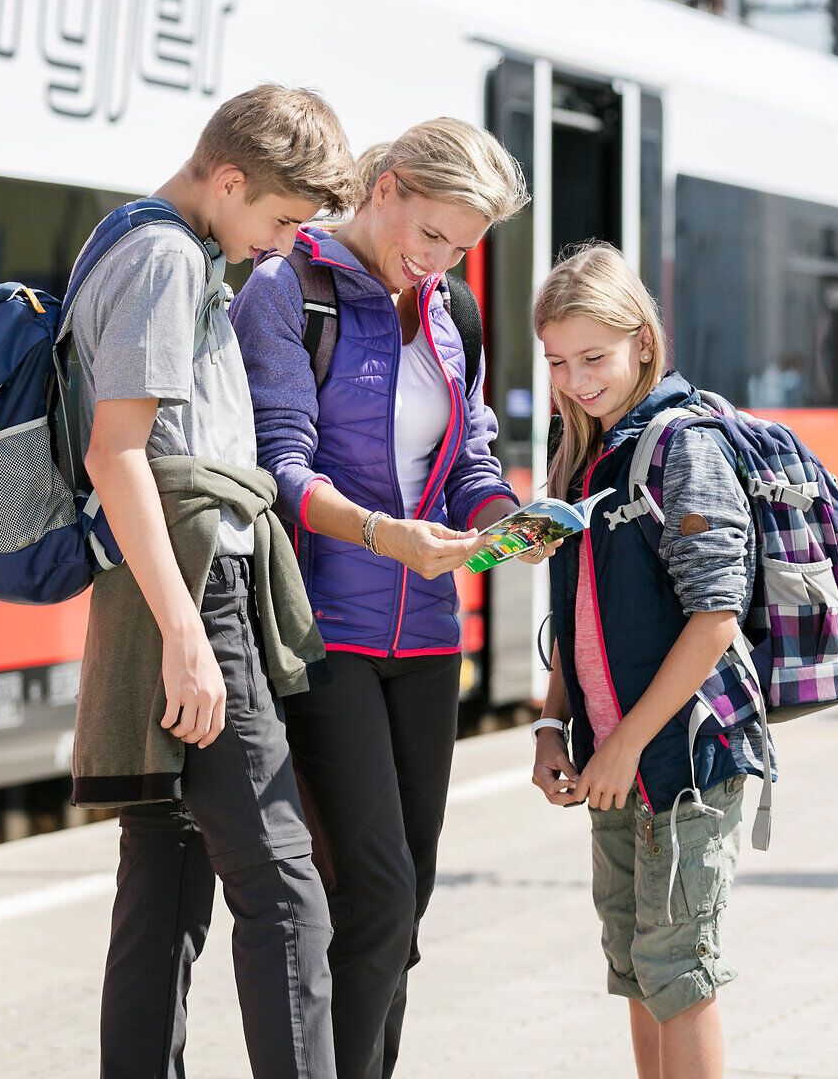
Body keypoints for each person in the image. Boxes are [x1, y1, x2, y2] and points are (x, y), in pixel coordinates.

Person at [229, 118, 530, 1079]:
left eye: (461, 249)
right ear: (386, 187)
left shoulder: (453, 312)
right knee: (377, 893)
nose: (437, 262)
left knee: (407, 906)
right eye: (430, 235)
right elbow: (278, 467)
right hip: (328, 635)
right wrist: (382, 535)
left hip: (430, 640)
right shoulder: (287, 290)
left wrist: (507, 518)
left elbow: (470, 457)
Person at [69, 84, 358, 1079]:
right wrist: (189, 637)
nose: (280, 246)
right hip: (195, 588)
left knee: (167, 872)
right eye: (279, 219)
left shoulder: (131, 238)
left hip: (162, 582)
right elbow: (121, 454)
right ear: (228, 179)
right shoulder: (161, 256)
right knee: (284, 885)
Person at [528, 243, 771, 1079]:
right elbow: (574, 614)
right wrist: (551, 724)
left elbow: (714, 617)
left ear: (642, 340)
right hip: (613, 759)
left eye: (594, 358)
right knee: (636, 966)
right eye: (558, 361)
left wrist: (628, 740)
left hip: (685, 761)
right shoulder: (585, 452)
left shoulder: (681, 447)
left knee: (680, 972)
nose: (575, 380)